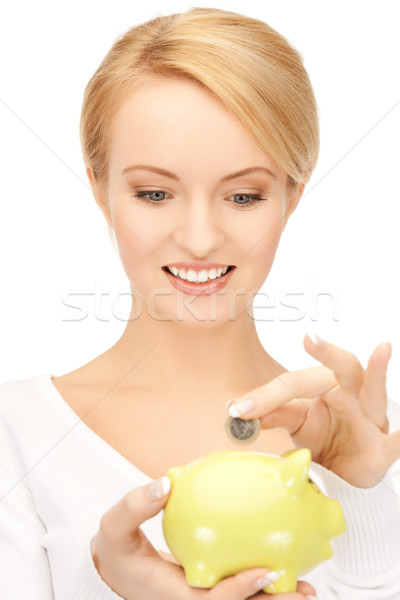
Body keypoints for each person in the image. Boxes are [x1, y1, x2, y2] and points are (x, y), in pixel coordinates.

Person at [1, 6, 400, 599]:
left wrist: (365, 493)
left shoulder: (370, 439)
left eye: (242, 196)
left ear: (293, 193)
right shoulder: (17, 435)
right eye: (155, 193)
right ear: (98, 187)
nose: (199, 238)